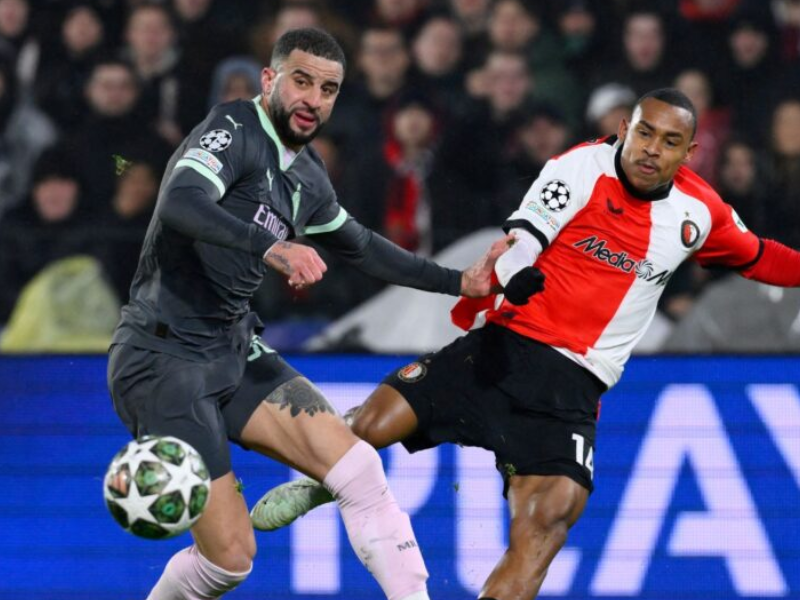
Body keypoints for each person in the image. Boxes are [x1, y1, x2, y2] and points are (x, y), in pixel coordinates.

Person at [251, 88, 800, 599]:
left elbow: (759, 256)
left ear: (691, 152)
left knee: (549, 519)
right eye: (644, 133)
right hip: (504, 349)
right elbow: (525, 236)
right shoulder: (577, 168)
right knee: (373, 425)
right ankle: (321, 477)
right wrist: (515, 275)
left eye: (669, 141)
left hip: (572, 388)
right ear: (623, 128)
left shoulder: (699, 213)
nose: (652, 149)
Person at [106, 27, 513, 600]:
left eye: (327, 89)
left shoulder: (308, 175)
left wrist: (460, 283)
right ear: (270, 79)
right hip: (162, 356)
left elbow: (364, 247)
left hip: (232, 349)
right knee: (230, 561)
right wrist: (271, 247)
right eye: (301, 81)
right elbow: (179, 201)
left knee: (360, 471)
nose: (312, 99)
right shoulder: (234, 128)